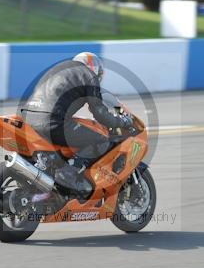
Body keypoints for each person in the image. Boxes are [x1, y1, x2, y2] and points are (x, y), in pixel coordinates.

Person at [19, 52, 133, 194]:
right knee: (101, 141)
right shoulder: (88, 75)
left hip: (28, 118)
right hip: (52, 122)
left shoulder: (60, 70)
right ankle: (68, 174)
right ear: (95, 68)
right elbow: (100, 114)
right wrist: (121, 121)